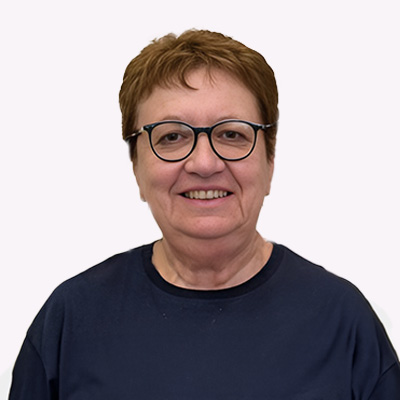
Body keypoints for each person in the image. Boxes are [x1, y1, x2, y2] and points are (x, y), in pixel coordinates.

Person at [9, 29, 400, 399]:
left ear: (270, 162)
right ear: (136, 168)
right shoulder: (72, 320)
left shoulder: (342, 321)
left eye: (232, 134)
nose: (204, 163)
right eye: (172, 136)